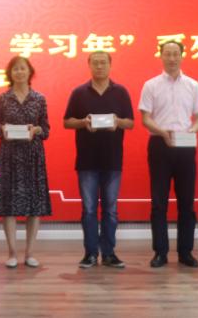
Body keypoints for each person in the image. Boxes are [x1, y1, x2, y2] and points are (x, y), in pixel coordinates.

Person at [63, 51, 134, 269]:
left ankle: (109, 253)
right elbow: (67, 122)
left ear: (110, 65)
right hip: (87, 160)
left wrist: (118, 122)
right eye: (96, 63)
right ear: (89, 65)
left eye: (103, 63)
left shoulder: (120, 92)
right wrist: (83, 123)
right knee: (89, 210)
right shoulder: (79, 92)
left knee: (111, 210)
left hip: (113, 160)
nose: (100, 66)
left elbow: (130, 122)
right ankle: (90, 254)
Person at [138, 39, 198, 268]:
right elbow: (145, 118)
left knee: (187, 202)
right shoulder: (151, 85)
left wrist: (191, 131)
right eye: (168, 54)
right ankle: (160, 252)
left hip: (185, 144)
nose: (172, 58)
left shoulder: (193, 85)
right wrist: (162, 132)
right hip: (159, 143)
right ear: (161, 56)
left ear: (182, 56)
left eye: (176, 54)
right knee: (159, 202)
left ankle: (186, 252)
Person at [0, 56, 51, 268]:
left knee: (34, 205)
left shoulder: (39, 98)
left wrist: (37, 130)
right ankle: (12, 253)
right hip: (9, 155)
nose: (19, 72)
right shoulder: (2, 99)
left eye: (22, 68)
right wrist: (3, 130)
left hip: (32, 156)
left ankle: (30, 253)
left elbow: (46, 129)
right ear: (10, 73)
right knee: (9, 205)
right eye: (15, 69)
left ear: (29, 72)